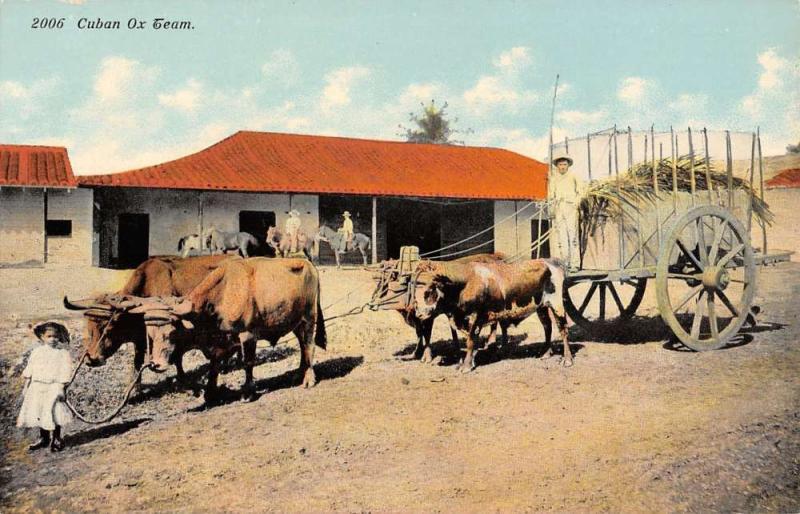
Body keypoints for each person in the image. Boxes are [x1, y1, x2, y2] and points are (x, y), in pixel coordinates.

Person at [16, 321, 74, 452]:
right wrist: (26, 386)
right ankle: (44, 438)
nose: (53, 339)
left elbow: (65, 371)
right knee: (40, 410)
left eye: (56, 336)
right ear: (42, 337)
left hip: (53, 386)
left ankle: (57, 438)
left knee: (54, 411)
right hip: (37, 386)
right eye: (49, 336)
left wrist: (61, 388)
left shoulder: (62, 353)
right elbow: (30, 369)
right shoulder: (37, 352)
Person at [548, 151, 585, 271]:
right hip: (559, 209)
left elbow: (581, 192)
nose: (562, 167)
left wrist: (575, 203)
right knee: (562, 238)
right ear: (557, 166)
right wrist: (552, 207)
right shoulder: (553, 178)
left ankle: (575, 264)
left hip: (571, 208)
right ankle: (565, 263)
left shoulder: (574, 176)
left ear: (568, 165)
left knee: (572, 237)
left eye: (564, 164)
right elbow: (550, 195)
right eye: (560, 165)